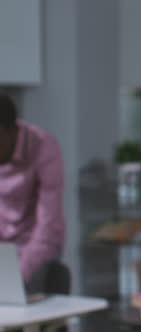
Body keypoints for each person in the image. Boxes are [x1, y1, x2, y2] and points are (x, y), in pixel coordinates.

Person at [0, 93, 65, 292]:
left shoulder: (43, 146)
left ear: (11, 132)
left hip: (37, 253)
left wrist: (14, 280)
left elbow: (48, 224)